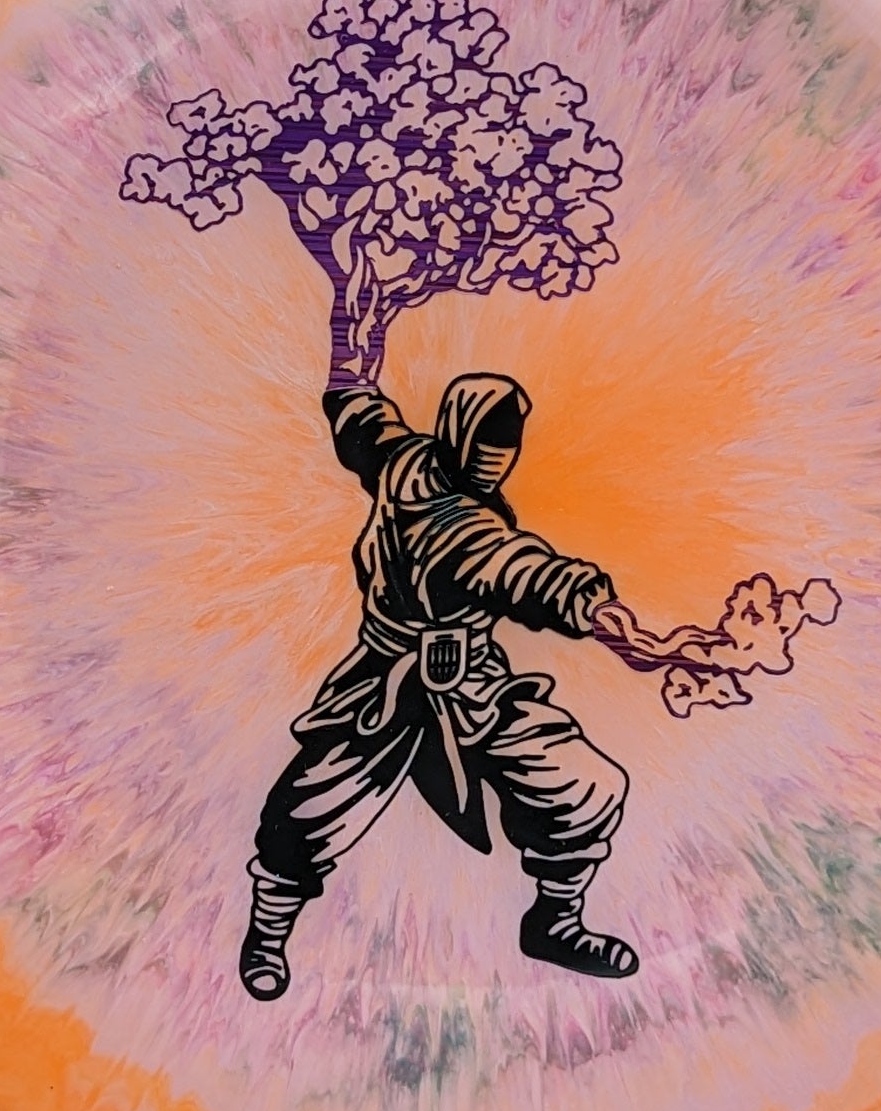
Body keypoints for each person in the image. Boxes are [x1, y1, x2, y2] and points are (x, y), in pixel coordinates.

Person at [241, 372, 636, 999]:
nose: (496, 458)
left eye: (507, 443)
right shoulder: (445, 511)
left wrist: (594, 607)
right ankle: (267, 933)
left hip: (474, 684)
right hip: (385, 684)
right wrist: (581, 601)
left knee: (584, 784)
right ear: (456, 434)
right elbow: (515, 568)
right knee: (307, 806)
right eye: (486, 441)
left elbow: (367, 424)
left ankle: (555, 923)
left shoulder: (406, 461)